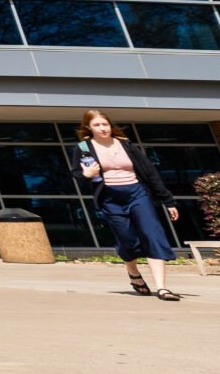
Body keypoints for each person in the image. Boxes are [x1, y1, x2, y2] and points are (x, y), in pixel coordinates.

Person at [74, 108, 182, 301]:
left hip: (137, 193)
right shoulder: (83, 148)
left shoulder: (127, 145)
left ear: (110, 125)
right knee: (127, 240)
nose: (102, 128)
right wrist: (86, 175)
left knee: (152, 233)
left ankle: (162, 288)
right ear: (88, 128)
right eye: (97, 125)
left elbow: (150, 173)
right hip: (110, 197)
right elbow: (77, 175)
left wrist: (168, 201)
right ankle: (133, 271)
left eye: (105, 124)